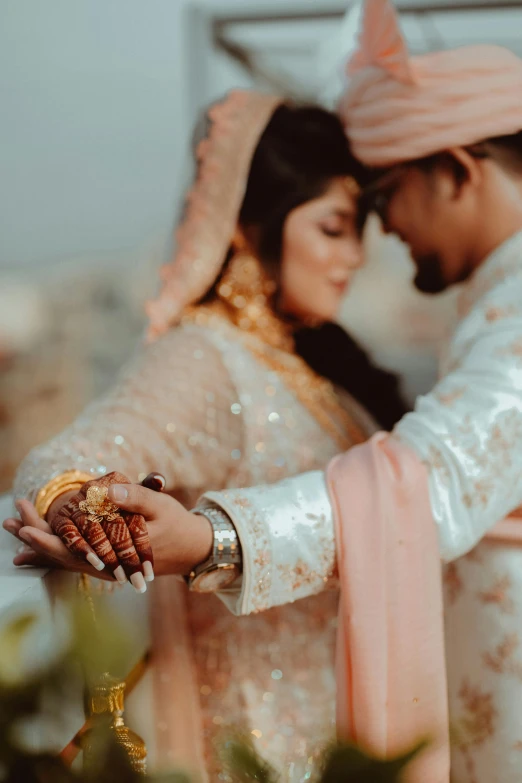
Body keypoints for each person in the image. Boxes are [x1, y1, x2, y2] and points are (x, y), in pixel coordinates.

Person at [4, 90, 405, 779]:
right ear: (250, 226)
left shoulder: (316, 367)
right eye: (335, 228)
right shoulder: (204, 354)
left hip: (337, 726)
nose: (356, 256)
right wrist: (87, 510)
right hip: (253, 747)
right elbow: (64, 459)